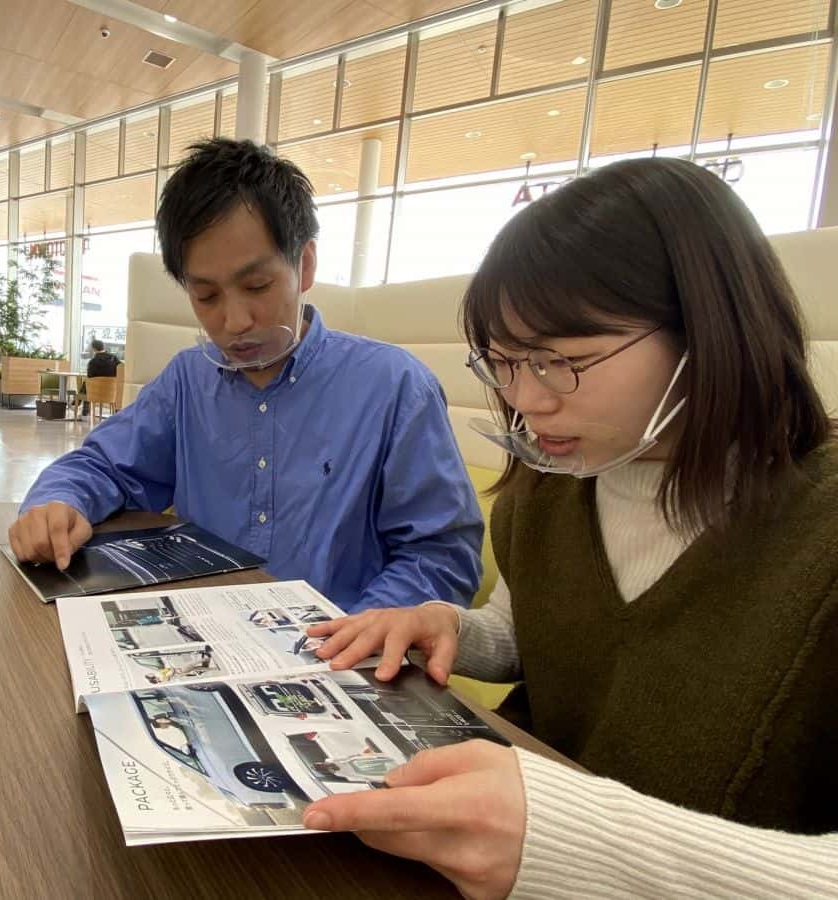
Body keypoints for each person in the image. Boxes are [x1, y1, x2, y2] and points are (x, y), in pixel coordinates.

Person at [301, 157, 838, 898]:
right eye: (504, 363)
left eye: (561, 361)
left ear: (708, 330)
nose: (525, 401)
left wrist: (576, 837)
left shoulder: (821, 526)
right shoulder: (555, 482)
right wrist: (448, 624)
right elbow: (536, 633)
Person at [9, 138, 483, 613]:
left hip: (340, 655)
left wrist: (361, 632)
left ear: (306, 265)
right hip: (203, 636)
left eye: (256, 286)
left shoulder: (394, 386)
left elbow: (441, 555)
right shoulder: (187, 381)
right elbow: (106, 465)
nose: (233, 322)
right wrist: (58, 502)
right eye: (206, 297)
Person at [78, 338, 121, 414]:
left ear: (93, 348)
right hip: (111, 392)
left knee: (87, 383)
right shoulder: (114, 358)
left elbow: (90, 377)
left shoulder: (92, 362)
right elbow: (121, 370)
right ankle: (117, 411)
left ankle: (84, 409)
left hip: (95, 392)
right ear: (103, 347)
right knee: (87, 383)